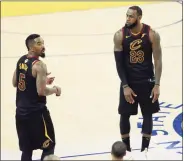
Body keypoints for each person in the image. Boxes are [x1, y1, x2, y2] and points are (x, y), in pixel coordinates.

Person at [113, 6, 162, 153]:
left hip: (147, 80)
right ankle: (126, 150)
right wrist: (125, 86)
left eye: (131, 16)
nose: (127, 19)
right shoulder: (119, 35)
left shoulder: (152, 34)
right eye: (127, 16)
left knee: (148, 114)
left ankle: (144, 151)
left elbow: (158, 61)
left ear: (139, 17)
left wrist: (157, 84)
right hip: (129, 82)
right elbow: (119, 64)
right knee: (124, 114)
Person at [12, 34, 61, 161]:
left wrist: (42, 80)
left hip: (21, 114)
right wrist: (55, 90)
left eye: (43, 43)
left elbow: (14, 82)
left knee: (27, 151)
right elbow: (41, 91)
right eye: (39, 44)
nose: (43, 47)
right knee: (49, 146)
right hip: (36, 114)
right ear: (31, 48)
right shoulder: (39, 65)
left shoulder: (21, 60)